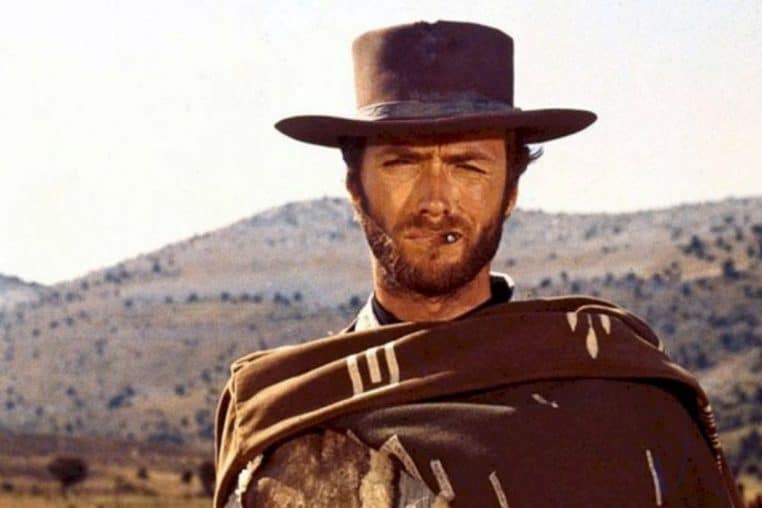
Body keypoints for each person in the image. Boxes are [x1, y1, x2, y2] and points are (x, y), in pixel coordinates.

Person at [214, 21, 743, 507]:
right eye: (402, 163)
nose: (435, 200)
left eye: (467, 166)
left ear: (510, 190)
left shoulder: (628, 405)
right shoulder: (283, 416)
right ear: (356, 187)